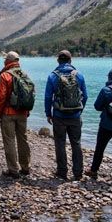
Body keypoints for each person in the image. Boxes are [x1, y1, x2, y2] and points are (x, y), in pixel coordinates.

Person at [44, 50, 87, 180]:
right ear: (70, 60)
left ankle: (62, 172)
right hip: (75, 116)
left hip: (59, 115)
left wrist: (48, 113)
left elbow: (47, 97)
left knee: (60, 143)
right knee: (76, 143)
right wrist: (79, 110)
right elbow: (85, 96)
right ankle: (78, 173)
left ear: (58, 60)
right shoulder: (79, 75)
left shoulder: (53, 76)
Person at [0, 51, 32, 178]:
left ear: (8, 61)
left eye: (5, 60)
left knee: (9, 140)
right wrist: (27, 111)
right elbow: (30, 95)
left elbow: (1, 97)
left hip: (8, 113)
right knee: (23, 139)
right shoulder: (25, 75)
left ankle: (13, 169)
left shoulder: (5, 75)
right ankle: (25, 167)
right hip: (23, 112)